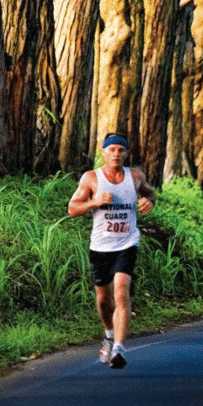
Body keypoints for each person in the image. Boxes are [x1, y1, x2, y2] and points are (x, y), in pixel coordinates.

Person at [68, 133, 156, 368]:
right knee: (104, 299)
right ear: (103, 152)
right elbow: (72, 208)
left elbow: (149, 192)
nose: (116, 154)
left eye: (121, 150)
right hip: (100, 246)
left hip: (127, 242)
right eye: (112, 149)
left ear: (126, 154)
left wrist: (149, 201)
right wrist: (94, 202)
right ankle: (109, 334)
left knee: (120, 292)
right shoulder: (91, 178)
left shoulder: (135, 176)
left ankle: (118, 349)